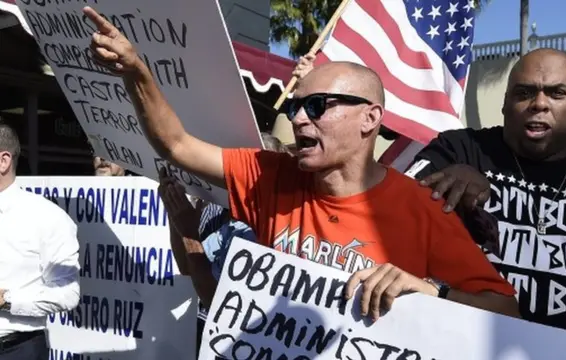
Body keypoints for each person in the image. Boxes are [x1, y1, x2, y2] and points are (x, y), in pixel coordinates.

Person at [84, 6, 519, 320]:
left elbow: (506, 313)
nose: (298, 118)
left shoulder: (423, 208)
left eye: (316, 106)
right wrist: (136, 73)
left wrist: (429, 291)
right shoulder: (270, 175)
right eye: (295, 107)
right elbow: (176, 144)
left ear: (370, 118)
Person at [405, 48, 566, 360]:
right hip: (457, 348)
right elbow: (396, 206)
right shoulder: (458, 149)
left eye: (557, 93)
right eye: (525, 92)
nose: (539, 103)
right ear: (505, 102)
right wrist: (449, 179)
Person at [160, 133, 288, 354]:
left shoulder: (274, 229)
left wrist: (190, 234)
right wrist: (176, 212)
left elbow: (220, 303)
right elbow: (186, 267)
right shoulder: (215, 208)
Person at [0, 123, 80, 359]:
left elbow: (68, 293)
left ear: (3, 161)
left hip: (16, 349)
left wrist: (6, 299)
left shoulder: (48, 218)